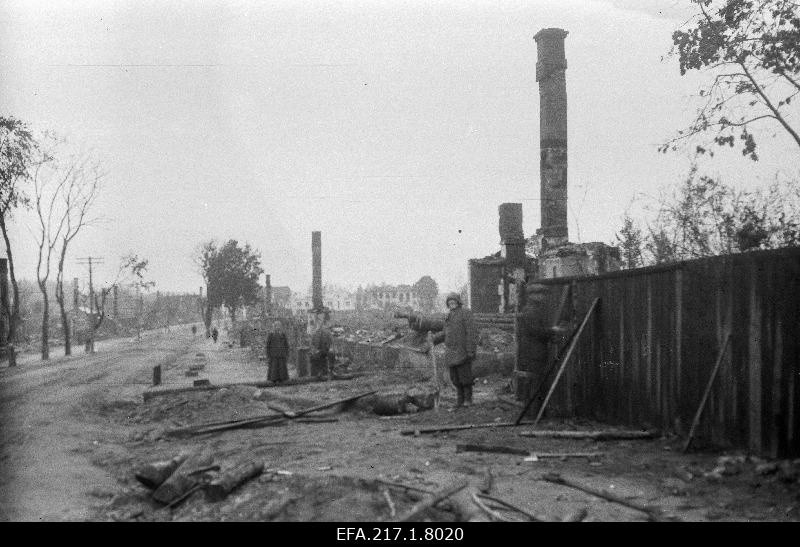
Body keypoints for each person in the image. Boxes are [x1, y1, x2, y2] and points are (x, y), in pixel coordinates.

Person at [431, 292, 478, 411]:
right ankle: (459, 400)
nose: (452, 304)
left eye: (454, 302)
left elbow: (471, 332)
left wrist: (471, 349)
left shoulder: (465, 313)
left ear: (458, 302)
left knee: (465, 377)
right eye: (450, 302)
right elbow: (445, 333)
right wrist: (433, 339)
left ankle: (468, 399)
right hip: (451, 352)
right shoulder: (448, 316)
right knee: (455, 378)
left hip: (463, 351)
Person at [309, 313, 332, 378]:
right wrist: (314, 350)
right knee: (313, 357)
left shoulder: (326, 332)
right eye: (318, 323)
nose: (319, 325)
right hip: (317, 350)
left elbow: (329, 342)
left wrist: (325, 349)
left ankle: (322, 373)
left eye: (320, 324)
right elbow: (311, 343)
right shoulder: (314, 333)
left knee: (321, 357)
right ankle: (316, 373)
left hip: (324, 350)